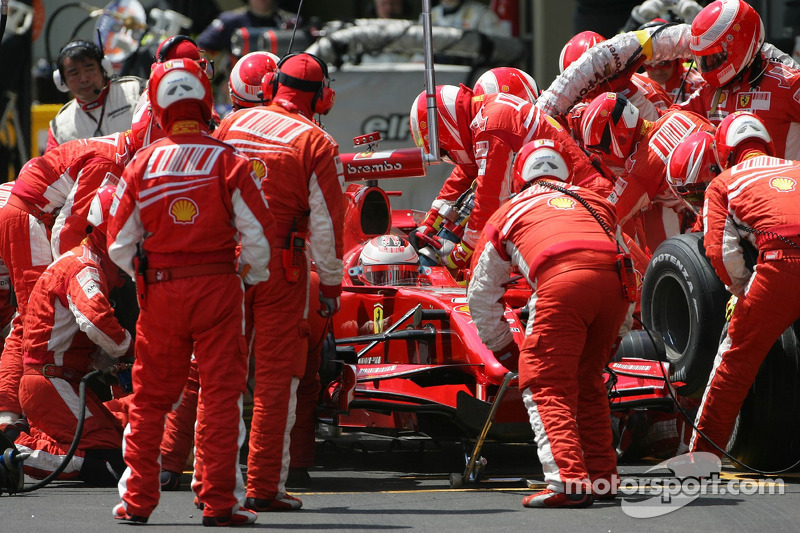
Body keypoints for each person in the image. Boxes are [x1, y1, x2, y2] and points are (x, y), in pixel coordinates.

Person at [107, 58, 274, 526]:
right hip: (219, 288)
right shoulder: (230, 160)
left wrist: (147, 275)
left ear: (158, 106)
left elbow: (119, 244)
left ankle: (137, 501)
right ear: (204, 100)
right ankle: (220, 503)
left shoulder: (142, 163)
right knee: (221, 398)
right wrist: (246, 276)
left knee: (148, 401)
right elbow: (258, 240)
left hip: (160, 293)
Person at [213, 51, 345, 513]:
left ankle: (209, 486)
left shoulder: (229, 126)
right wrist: (330, 288)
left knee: (216, 375)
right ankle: (264, 487)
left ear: (271, 86)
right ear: (322, 98)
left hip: (222, 266)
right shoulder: (317, 143)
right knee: (275, 380)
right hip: (281, 271)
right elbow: (328, 227)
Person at [468, 139, 631, 506]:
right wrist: (619, 330)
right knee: (587, 381)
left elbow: (479, 293)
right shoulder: (597, 203)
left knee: (546, 382)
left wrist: (508, 351)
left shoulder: (509, 211)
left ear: (519, 176)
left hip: (563, 284)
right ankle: (603, 477)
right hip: (614, 290)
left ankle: (567, 482)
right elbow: (627, 263)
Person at [0, 131, 137, 434]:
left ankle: (11, 420)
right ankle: (9, 423)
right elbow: (69, 229)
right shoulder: (111, 161)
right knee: (31, 320)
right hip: (25, 218)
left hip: (17, 212)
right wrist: (68, 276)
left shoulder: (116, 147)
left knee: (22, 321)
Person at [408, 83, 613, 273]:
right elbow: (466, 171)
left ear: (447, 128)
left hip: (583, 206)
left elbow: (490, 201)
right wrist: (431, 221)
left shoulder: (490, 125)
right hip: (576, 200)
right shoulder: (485, 113)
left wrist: (459, 254)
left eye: (444, 151)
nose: (447, 157)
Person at [688, 113, 796, 458]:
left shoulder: (725, 183)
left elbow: (719, 251)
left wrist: (743, 288)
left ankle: (701, 458)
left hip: (779, 268)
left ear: (724, 154)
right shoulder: (797, 167)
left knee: (733, 363)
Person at [13, 185, 132, 485]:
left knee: (119, 445)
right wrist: (133, 349)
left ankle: (19, 438)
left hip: (57, 382)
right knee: (110, 462)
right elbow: (99, 323)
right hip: (51, 381)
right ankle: (16, 450)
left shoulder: (88, 264)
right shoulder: (84, 268)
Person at [580, 91, 715, 251]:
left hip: (711, 222)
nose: (603, 158)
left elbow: (607, 215)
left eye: (601, 150)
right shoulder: (678, 115)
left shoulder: (641, 167)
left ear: (619, 134)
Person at [677, 0, 800, 159]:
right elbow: (670, 121)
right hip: (727, 183)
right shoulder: (710, 91)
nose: (707, 65)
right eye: (703, 59)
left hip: (777, 181)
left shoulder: (788, 84)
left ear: (740, 44)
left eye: (714, 57)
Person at [47, 40, 145, 152]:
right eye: (74, 73)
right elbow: (52, 166)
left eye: (90, 69)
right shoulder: (59, 127)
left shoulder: (138, 91)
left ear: (104, 68)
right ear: (61, 80)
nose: (84, 79)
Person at [429, 0, 510, 38]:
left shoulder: (481, 13)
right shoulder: (429, 15)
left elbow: (500, 48)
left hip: (472, 69)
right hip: (436, 69)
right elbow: (420, 54)